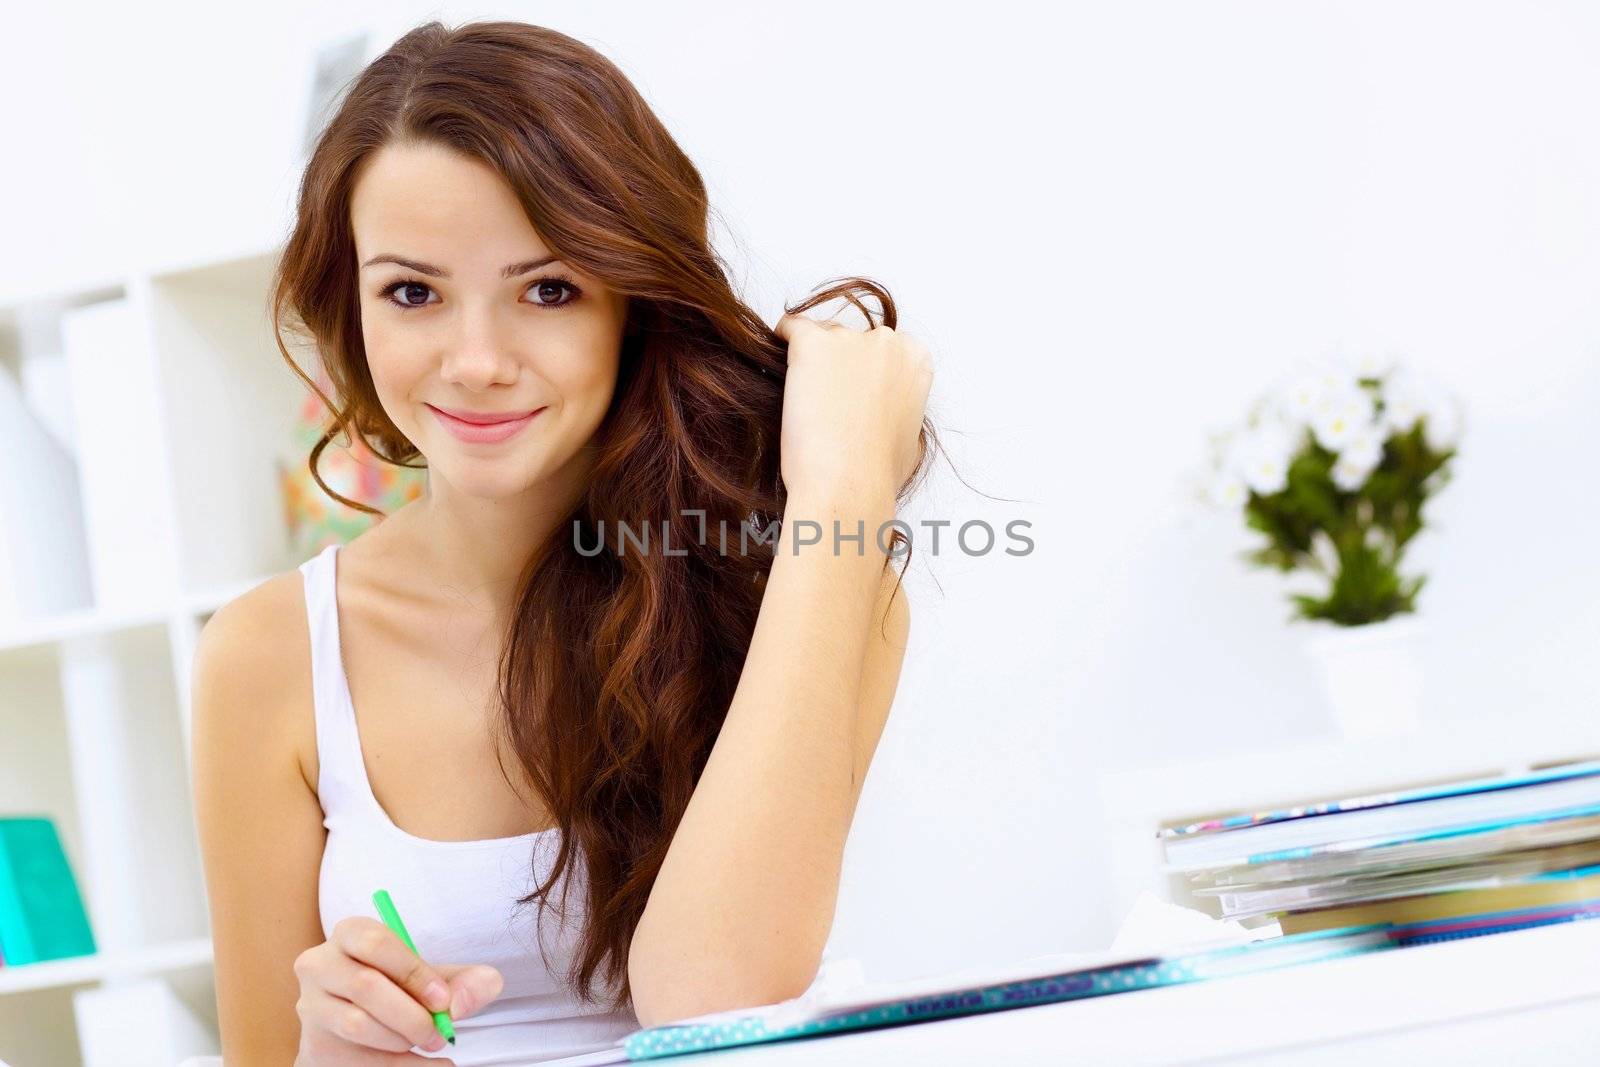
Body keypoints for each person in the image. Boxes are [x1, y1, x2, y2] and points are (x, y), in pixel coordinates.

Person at [191, 18, 938, 1067]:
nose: (478, 360)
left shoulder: (793, 580)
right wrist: (334, 1045)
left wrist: (846, 486)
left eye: (548, 288)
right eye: (412, 291)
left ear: (632, 301)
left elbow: (711, 997)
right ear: (347, 307)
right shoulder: (267, 655)